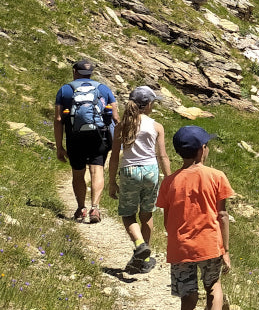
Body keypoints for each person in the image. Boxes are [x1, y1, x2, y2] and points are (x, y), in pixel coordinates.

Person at [156, 125, 233, 310]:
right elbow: (222, 215)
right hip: (210, 244)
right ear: (202, 150)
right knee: (213, 285)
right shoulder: (217, 176)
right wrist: (226, 249)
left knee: (187, 296)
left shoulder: (169, 182)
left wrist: (177, 239)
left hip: (181, 248)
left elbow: (167, 219)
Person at [108, 86, 171, 273]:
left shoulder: (122, 125)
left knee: (128, 214)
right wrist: (169, 179)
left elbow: (113, 156)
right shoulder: (156, 126)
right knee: (147, 214)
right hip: (151, 171)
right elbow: (163, 156)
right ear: (149, 104)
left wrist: (112, 181)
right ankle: (145, 257)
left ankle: (140, 245)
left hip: (129, 171)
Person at [54, 59, 117, 223]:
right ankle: (95, 208)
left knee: (78, 173)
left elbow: (58, 119)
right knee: (97, 170)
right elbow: (115, 117)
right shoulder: (103, 88)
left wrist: (59, 146)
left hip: (75, 137)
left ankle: (81, 208)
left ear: (75, 72)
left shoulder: (65, 90)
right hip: (99, 136)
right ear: (91, 73)